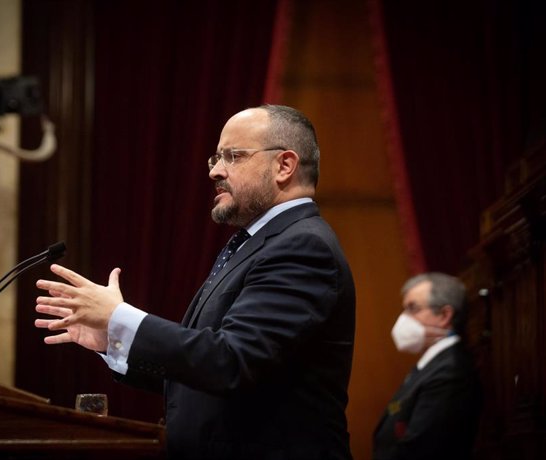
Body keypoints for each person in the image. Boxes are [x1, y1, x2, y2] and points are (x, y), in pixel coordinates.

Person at [34, 104, 356, 460]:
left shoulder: (303, 247)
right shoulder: (258, 242)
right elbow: (202, 375)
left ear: (284, 166)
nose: (216, 171)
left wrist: (120, 317)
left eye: (233, 156)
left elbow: (231, 362)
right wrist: (113, 339)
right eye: (215, 158)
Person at [373, 272, 482, 460]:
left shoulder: (450, 370)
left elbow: (421, 450)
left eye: (412, 308)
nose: (403, 319)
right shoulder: (431, 364)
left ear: (444, 315)